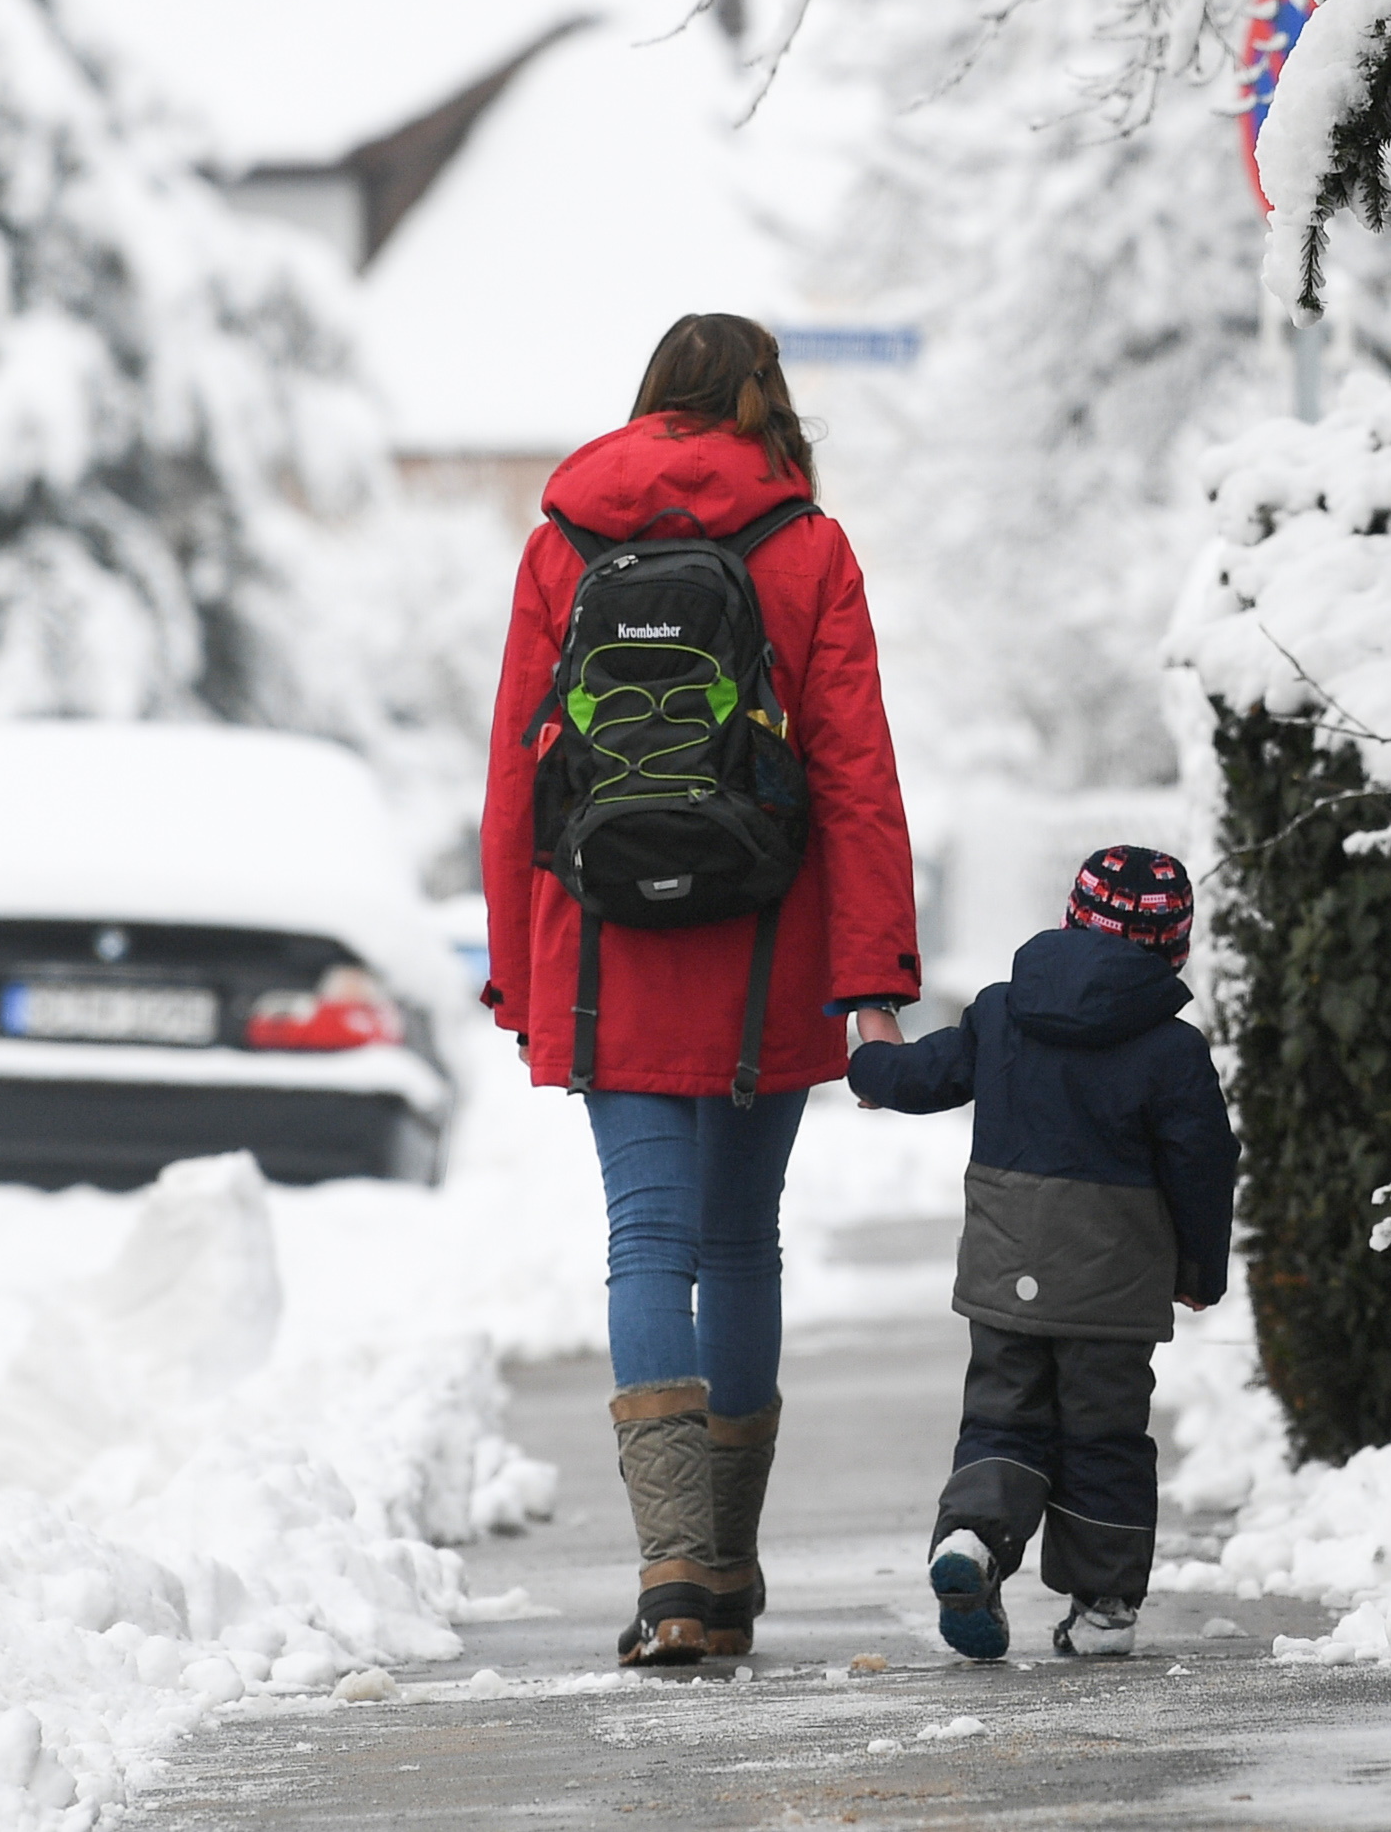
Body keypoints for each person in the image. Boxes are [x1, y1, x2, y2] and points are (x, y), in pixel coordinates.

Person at [481, 312, 921, 1669]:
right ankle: (725, 1570)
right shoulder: (807, 547)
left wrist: (517, 962)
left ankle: (670, 1571)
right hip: (766, 950)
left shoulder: (563, 538)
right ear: (764, 403)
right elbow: (853, 771)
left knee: (645, 1243)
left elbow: (516, 765)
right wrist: (875, 980)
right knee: (739, 1244)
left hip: (608, 948)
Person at [844, 843, 1238, 1662]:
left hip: (1004, 1265)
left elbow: (922, 1077)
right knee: (1104, 1436)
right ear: (1176, 947)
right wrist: (1200, 1269)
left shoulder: (1000, 1011)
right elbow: (1204, 1163)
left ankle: (973, 1541)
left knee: (1002, 1415)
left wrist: (871, 1057)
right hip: (1113, 1286)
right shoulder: (1173, 1051)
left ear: (1071, 920)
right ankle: (1102, 1609)